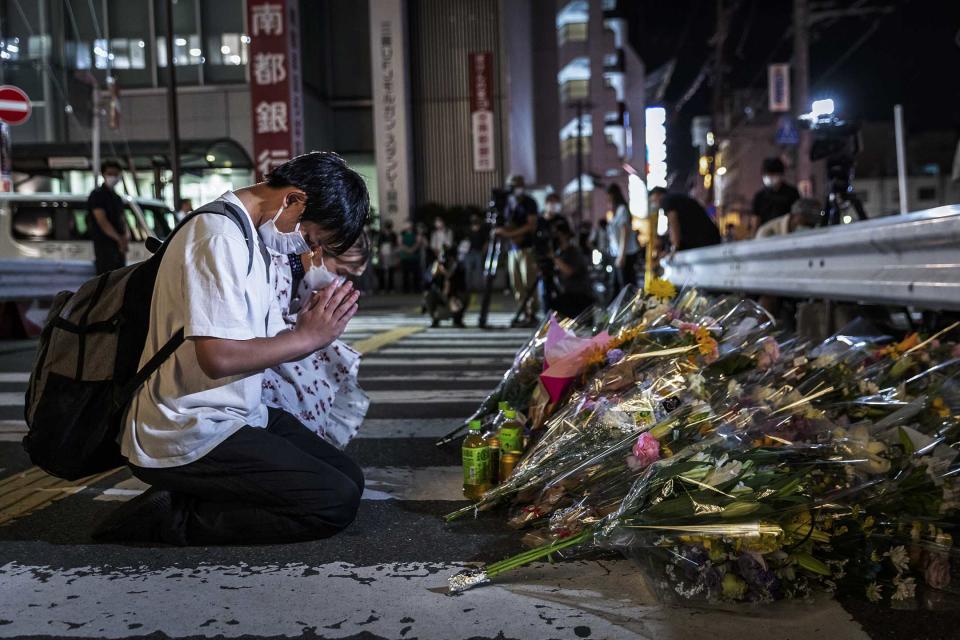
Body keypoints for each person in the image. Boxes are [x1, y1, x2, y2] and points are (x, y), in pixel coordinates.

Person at [94, 151, 368, 546]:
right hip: (188, 424)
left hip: (237, 412)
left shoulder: (250, 237)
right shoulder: (218, 236)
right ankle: (172, 517)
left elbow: (265, 343)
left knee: (348, 479)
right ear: (293, 200)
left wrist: (311, 327)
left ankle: (200, 493)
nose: (309, 252)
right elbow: (217, 357)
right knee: (333, 502)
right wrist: (308, 337)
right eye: (311, 239)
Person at [264, 236, 371, 449]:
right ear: (317, 250)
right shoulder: (277, 266)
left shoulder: (302, 276)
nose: (340, 282)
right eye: (341, 272)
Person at [495, 174, 540, 326]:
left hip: (527, 248)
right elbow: (508, 222)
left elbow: (531, 225)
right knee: (516, 283)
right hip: (512, 249)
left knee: (529, 281)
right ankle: (523, 312)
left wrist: (508, 234)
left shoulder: (529, 202)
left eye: (519, 184)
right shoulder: (509, 202)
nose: (517, 188)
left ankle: (532, 313)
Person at [86, 160, 130, 275]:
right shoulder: (97, 195)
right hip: (104, 246)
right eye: (110, 174)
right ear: (103, 174)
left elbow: (122, 219)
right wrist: (119, 239)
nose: (113, 177)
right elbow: (102, 221)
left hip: (118, 248)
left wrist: (125, 237)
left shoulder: (117, 198)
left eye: (116, 174)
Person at [649, 187, 722, 255]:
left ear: (659, 195)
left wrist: (674, 247)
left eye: (653, 200)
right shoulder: (676, 198)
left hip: (703, 241)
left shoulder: (667, 200)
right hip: (710, 237)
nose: (654, 203)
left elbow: (674, 223)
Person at [551, 219, 594, 320]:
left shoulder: (574, 252)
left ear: (565, 235)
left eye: (558, 234)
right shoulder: (559, 253)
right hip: (567, 294)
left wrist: (553, 258)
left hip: (579, 296)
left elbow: (569, 271)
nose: (556, 237)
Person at [606, 184, 641, 292]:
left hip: (625, 253)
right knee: (618, 285)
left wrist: (622, 255)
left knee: (626, 285)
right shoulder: (617, 211)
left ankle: (632, 306)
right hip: (619, 253)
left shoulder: (621, 209)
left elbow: (625, 232)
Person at [751, 157, 800, 234]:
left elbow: (797, 217)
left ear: (780, 175)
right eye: (766, 175)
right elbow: (755, 220)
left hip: (786, 233)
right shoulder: (759, 197)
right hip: (765, 235)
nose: (769, 177)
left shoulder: (792, 193)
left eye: (772, 174)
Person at [424, 247, 469, 328]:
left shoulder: (459, 268)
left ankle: (457, 319)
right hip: (441, 298)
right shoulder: (437, 266)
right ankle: (435, 319)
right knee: (428, 295)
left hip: (453, 298)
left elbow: (462, 287)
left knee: (464, 296)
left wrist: (448, 274)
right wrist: (435, 272)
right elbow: (428, 283)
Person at [756, 197, 822, 239]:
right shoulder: (766, 233)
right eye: (806, 221)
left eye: (811, 224)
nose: (808, 226)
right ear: (795, 215)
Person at [463, 213, 488, 291]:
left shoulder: (482, 230)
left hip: (478, 252)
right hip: (469, 253)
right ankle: (468, 287)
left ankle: (479, 287)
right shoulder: (467, 229)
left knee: (479, 270)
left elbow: (486, 242)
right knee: (468, 270)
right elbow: (465, 241)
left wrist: (483, 251)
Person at [398, 223, 422, 293]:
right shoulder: (401, 234)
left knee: (416, 274)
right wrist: (408, 250)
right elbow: (400, 243)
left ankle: (416, 289)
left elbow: (418, 243)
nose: (408, 226)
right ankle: (406, 289)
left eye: (409, 224)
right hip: (405, 257)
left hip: (415, 257)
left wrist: (412, 250)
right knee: (405, 275)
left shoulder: (416, 233)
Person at [376, 220, 398, 293]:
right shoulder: (381, 235)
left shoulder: (393, 235)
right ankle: (381, 288)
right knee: (382, 272)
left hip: (391, 255)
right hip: (383, 255)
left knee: (391, 272)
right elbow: (378, 246)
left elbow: (395, 245)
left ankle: (391, 288)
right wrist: (379, 254)